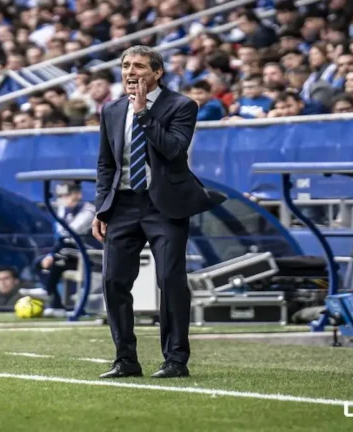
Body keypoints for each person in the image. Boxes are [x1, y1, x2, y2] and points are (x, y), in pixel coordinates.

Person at [92, 46, 225, 379]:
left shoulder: (181, 105)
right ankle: (125, 359)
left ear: (157, 72)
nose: (130, 72)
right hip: (121, 204)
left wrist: (143, 115)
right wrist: (101, 208)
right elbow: (107, 163)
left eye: (138, 66)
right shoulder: (110, 109)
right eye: (125, 66)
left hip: (164, 205)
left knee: (170, 279)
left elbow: (174, 149)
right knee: (113, 280)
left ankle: (175, 360)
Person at [33, 181, 95, 317]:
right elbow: (61, 237)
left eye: (67, 195)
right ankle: (56, 305)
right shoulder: (63, 210)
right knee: (40, 263)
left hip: (89, 252)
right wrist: (50, 255)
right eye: (60, 196)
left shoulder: (88, 210)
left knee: (60, 254)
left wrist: (52, 254)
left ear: (78, 195)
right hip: (66, 253)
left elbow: (69, 231)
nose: (62, 200)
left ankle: (46, 290)